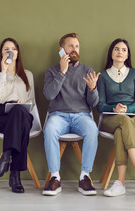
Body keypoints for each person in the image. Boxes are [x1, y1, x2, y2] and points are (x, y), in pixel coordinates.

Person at [42, 33, 100, 196]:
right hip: (58, 116)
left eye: (76, 46)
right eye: (70, 46)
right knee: (50, 129)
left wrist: (92, 89)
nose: (74, 50)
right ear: (61, 50)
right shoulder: (52, 71)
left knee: (92, 130)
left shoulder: (87, 70)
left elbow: (93, 103)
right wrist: (62, 72)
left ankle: (84, 177)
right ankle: (54, 178)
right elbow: (49, 95)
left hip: (81, 115)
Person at [97, 38, 135, 197]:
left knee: (123, 128)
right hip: (110, 119)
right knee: (123, 121)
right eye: (116, 49)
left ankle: (120, 183)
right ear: (111, 53)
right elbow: (100, 105)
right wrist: (113, 108)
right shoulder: (103, 76)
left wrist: (128, 108)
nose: (120, 52)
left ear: (127, 55)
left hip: (134, 118)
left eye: (123, 50)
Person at [0, 37, 36, 193]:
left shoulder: (27, 75)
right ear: (2, 53)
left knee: (19, 111)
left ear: (17, 53)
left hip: (23, 113)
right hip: (1, 115)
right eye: (6, 49)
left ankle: (5, 158)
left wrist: (20, 105)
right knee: (20, 123)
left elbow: (32, 102)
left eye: (13, 49)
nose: (10, 51)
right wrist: (3, 72)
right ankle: (15, 175)